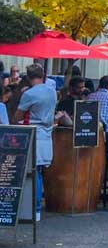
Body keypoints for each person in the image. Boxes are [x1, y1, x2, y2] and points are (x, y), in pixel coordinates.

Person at [15, 64, 59, 220]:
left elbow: (18, 116)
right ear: (44, 75)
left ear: (28, 77)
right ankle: (37, 209)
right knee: (38, 171)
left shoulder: (29, 94)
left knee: (32, 173)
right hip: (47, 133)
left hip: (32, 134)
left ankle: (32, 209)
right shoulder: (52, 92)